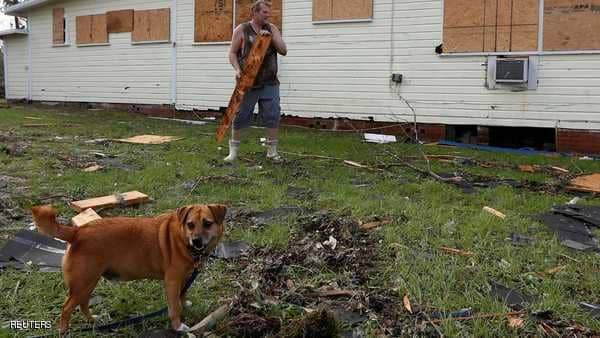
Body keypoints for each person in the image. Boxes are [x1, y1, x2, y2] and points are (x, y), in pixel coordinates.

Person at [224, 0, 287, 162]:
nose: (268, 15)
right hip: (247, 81)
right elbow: (232, 54)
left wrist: (273, 37)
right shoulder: (242, 29)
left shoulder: (271, 28)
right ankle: (233, 152)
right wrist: (237, 70)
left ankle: (272, 152)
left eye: (269, 12)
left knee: (273, 115)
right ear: (255, 12)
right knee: (241, 116)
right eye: (265, 12)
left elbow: (284, 51)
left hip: (270, 82)